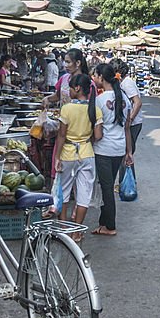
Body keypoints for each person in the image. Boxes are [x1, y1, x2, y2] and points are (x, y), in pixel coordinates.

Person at [53, 74, 102, 238]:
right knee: (84, 194)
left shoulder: (67, 109)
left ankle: (63, 229)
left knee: (64, 192)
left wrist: (57, 157)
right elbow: (98, 135)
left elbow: (61, 135)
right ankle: (78, 231)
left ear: (77, 88)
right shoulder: (95, 109)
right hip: (87, 153)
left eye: (71, 88)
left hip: (68, 153)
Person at [91, 63, 133, 237]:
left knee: (107, 188)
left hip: (103, 149)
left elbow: (97, 132)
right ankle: (103, 222)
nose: (94, 78)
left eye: (95, 75)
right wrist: (129, 151)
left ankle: (110, 225)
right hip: (119, 148)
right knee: (107, 186)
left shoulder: (99, 100)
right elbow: (127, 128)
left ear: (101, 77)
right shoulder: (124, 98)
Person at [111, 58, 143, 182]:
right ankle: (127, 182)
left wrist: (130, 119)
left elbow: (137, 103)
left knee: (126, 153)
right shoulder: (123, 82)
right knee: (125, 153)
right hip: (131, 123)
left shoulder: (127, 83)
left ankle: (127, 182)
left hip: (133, 124)